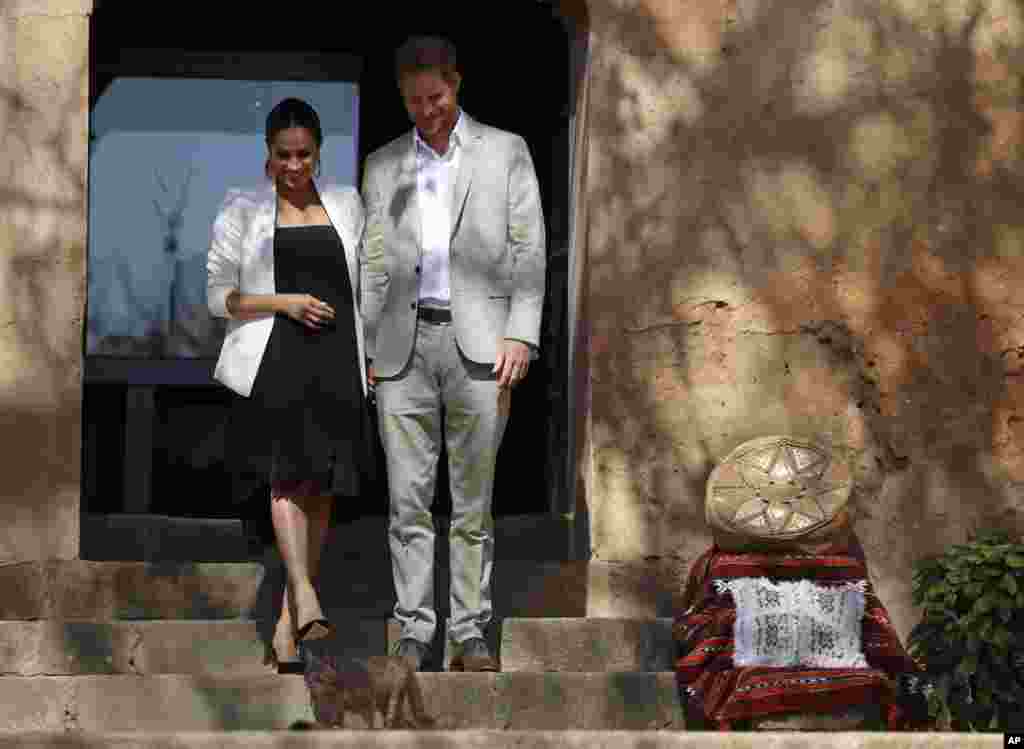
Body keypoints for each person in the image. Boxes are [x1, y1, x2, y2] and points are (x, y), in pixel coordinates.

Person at [360, 36, 546, 672]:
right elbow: (376, 262)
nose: (427, 111)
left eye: (435, 97)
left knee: (473, 501)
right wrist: (365, 342)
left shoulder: (506, 151)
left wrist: (521, 331)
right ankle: (413, 631)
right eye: (414, 101)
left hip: (481, 346)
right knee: (407, 501)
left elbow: (529, 249)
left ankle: (470, 633)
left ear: (457, 83)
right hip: (401, 351)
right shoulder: (384, 164)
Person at [207, 97, 375, 673]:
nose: (295, 165)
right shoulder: (242, 208)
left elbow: (369, 285)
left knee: (321, 487)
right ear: (268, 153)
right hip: (276, 360)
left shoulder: (348, 204)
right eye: (284, 155)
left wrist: (372, 354)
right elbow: (219, 297)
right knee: (285, 482)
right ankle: (304, 592)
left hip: (337, 362)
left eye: (305, 154)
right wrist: (286, 303)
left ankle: (287, 626)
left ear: (319, 152)